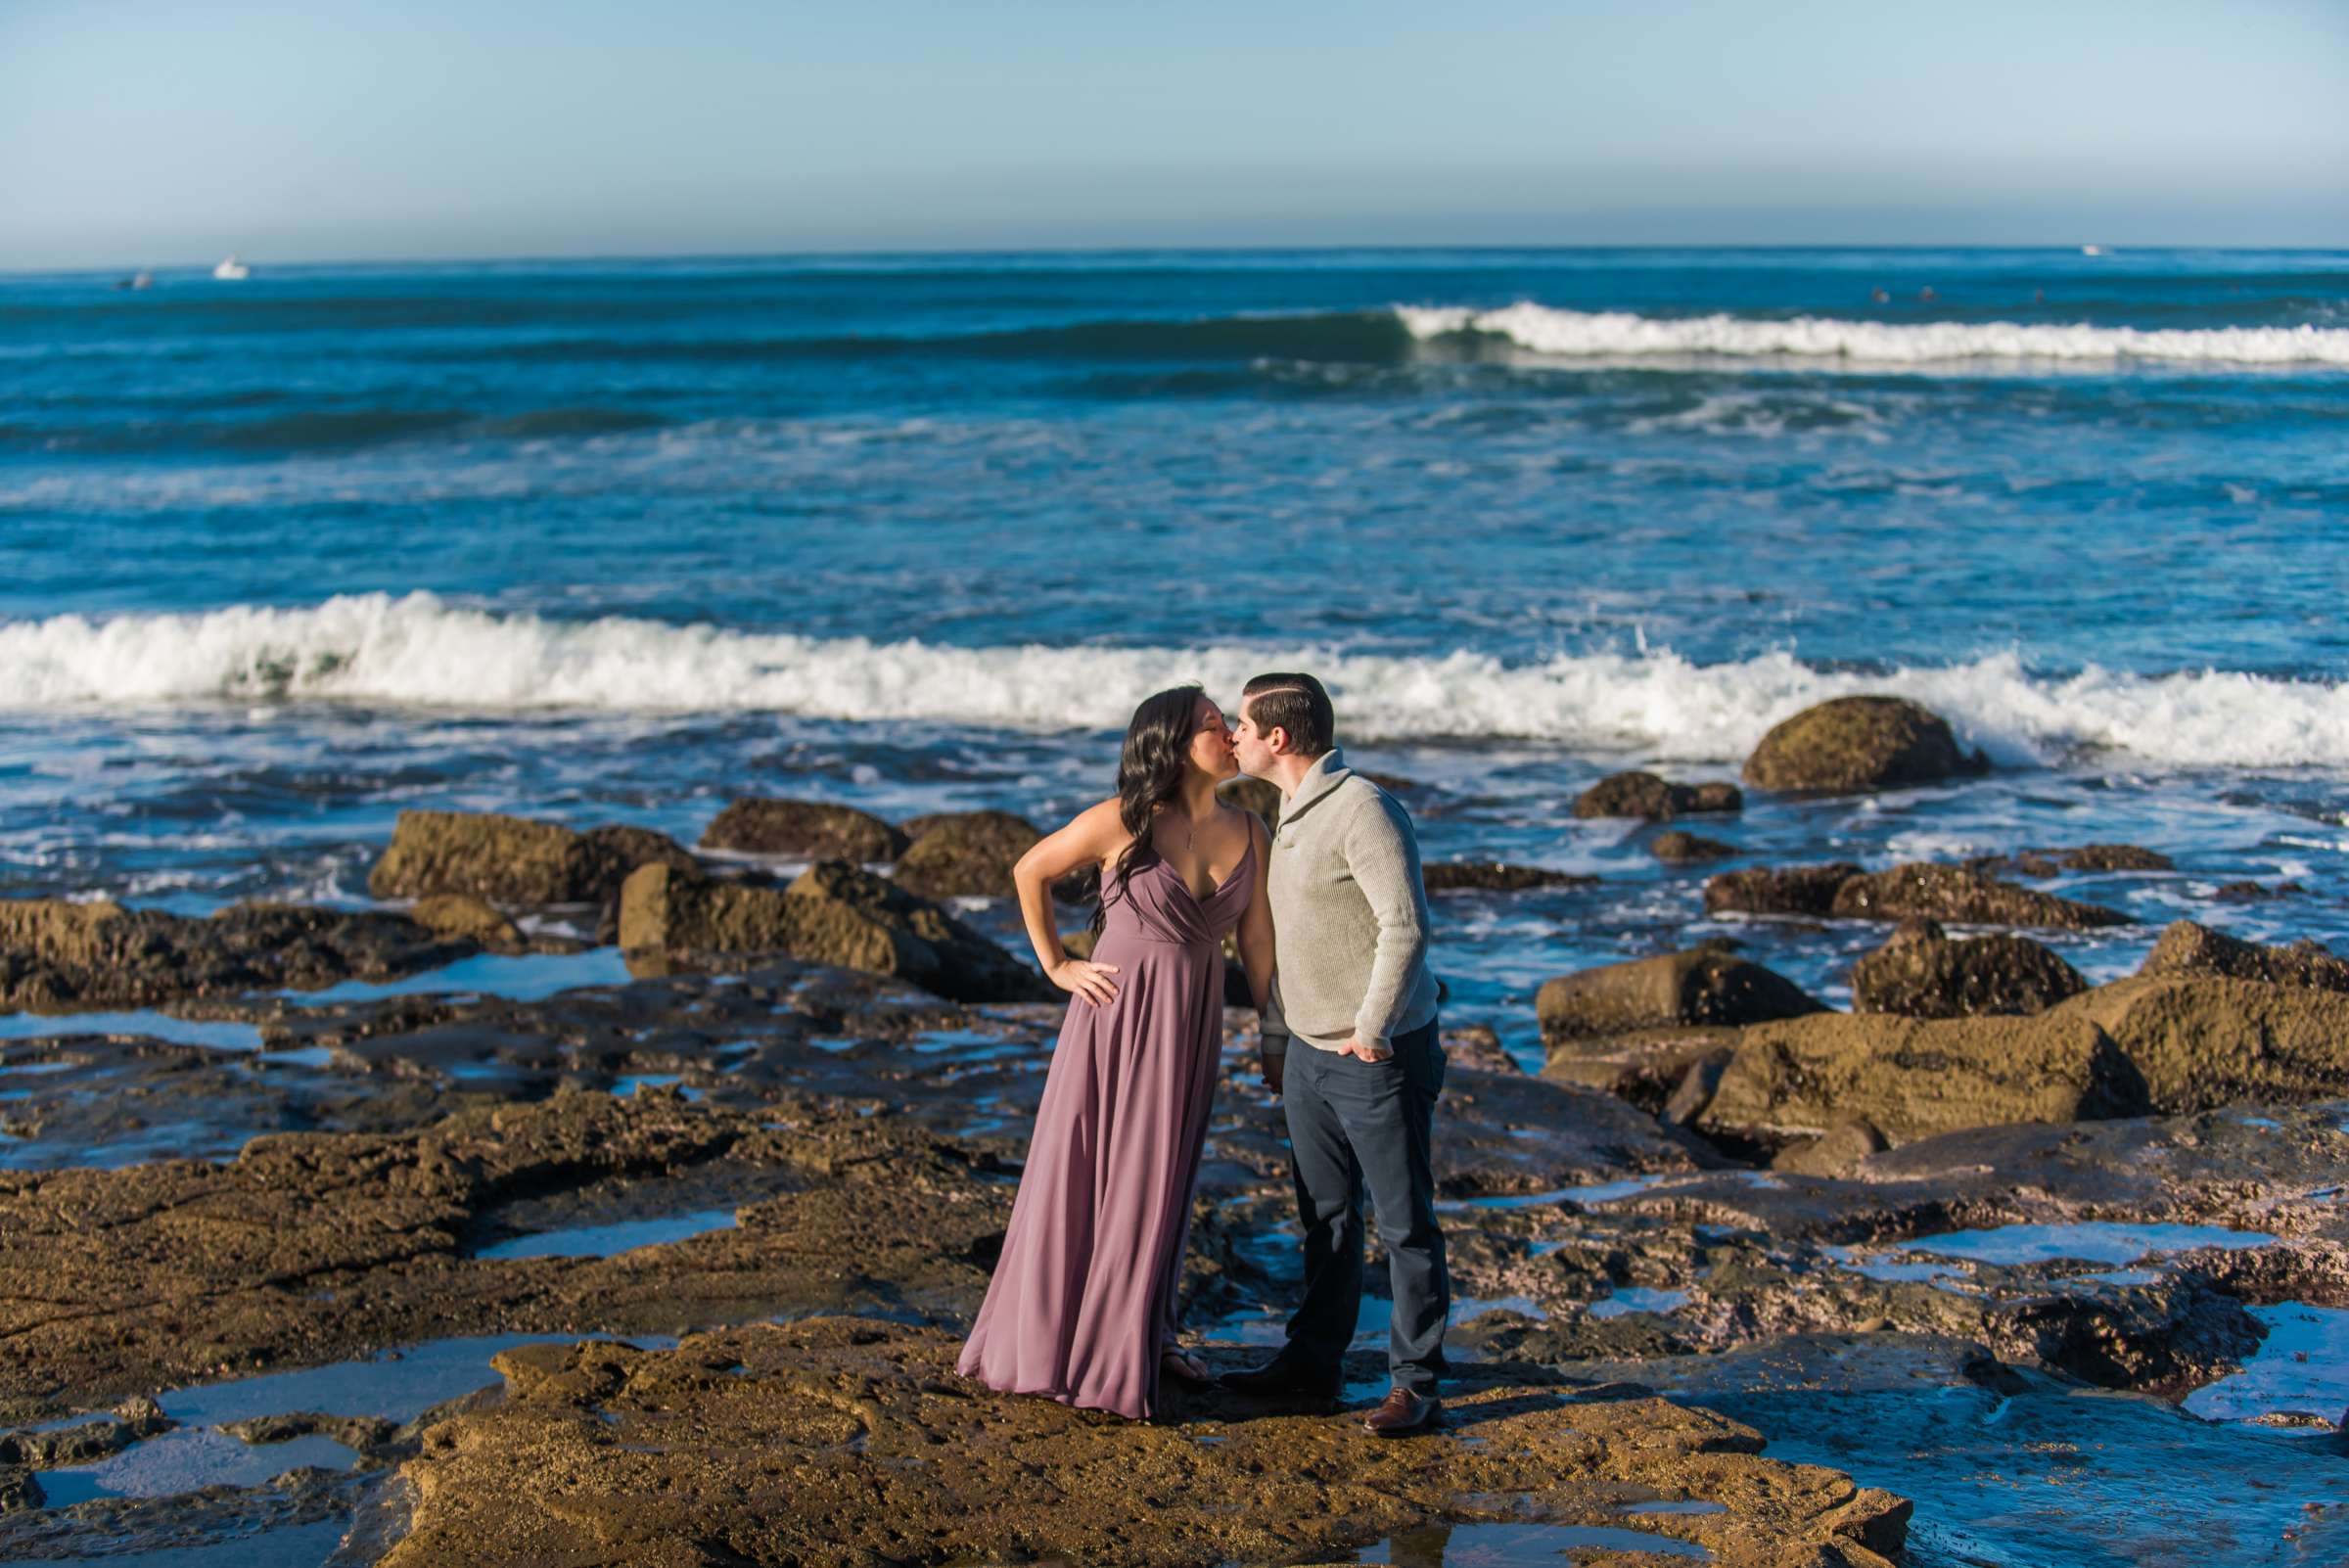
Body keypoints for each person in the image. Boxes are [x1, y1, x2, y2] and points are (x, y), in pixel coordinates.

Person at [956, 685, 1276, 1420]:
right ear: (1170, 742)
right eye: (1212, 725)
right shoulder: (1124, 821)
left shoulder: (1252, 831)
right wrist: (1058, 967)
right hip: (1115, 1021)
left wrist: (1275, 1031)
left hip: (1192, 1027)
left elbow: (1256, 945)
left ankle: (1146, 1332)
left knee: (1163, 1178)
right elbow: (1029, 871)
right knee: (1092, 1173)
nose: (1230, 733)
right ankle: (1071, 1339)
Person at [1221, 672, 1450, 1436]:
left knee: (1404, 1224)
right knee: (1325, 1219)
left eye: (1242, 726)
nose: (1233, 738)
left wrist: (1374, 1028)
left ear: (1278, 737)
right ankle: (1312, 1364)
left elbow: (1406, 928)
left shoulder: (1365, 809)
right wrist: (1279, 1037)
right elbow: (1295, 939)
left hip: (1374, 1056)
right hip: (1312, 1058)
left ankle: (1414, 1385)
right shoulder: (1287, 809)